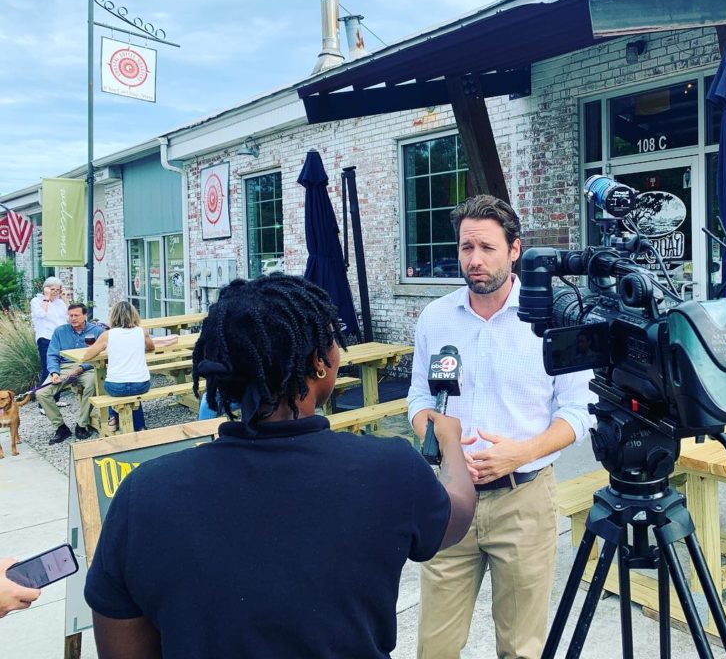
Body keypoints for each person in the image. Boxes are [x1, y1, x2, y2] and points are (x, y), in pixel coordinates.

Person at [84, 274, 475, 659]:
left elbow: (121, 643)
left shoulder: (143, 495)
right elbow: (456, 514)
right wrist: (449, 440)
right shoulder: (389, 470)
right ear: (320, 362)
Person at [407, 195, 596, 659]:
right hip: (450, 498)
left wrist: (522, 453)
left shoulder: (554, 320)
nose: (475, 260)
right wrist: (437, 435)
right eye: (466, 247)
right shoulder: (435, 318)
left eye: (487, 248)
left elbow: (579, 409)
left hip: (523, 500)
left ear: (514, 250)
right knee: (434, 647)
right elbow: (419, 397)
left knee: (521, 648)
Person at [80, 301, 154, 433]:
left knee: (111, 386)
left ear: (113, 316)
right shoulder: (142, 332)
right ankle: (140, 427)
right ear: (134, 315)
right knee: (133, 394)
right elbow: (151, 347)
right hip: (141, 384)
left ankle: (113, 417)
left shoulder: (108, 335)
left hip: (116, 387)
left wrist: (102, 348)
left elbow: (87, 356)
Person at [35, 303, 104, 444]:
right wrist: (54, 372)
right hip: (64, 367)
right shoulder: (60, 331)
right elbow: (52, 354)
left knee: (92, 384)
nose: (73, 318)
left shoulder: (97, 331)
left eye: (76, 315)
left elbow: (101, 355)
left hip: (89, 367)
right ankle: (61, 427)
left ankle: (82, 425)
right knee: (41, 393)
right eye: (70, 315)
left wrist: (82, 368)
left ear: (85, 315)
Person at [29, 277, 68, 386]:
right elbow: (41, 314)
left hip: (60, 339)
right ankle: (43, 395)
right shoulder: (36, 301)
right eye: (52, 289)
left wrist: (65, 299)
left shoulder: (60, 303)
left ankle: (56, 395)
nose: (55, 292)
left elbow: (70, 317)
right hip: (46, 338)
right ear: (46, 288)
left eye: (58, 290)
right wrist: (46, 298)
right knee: (48, 368)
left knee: (59, 368)